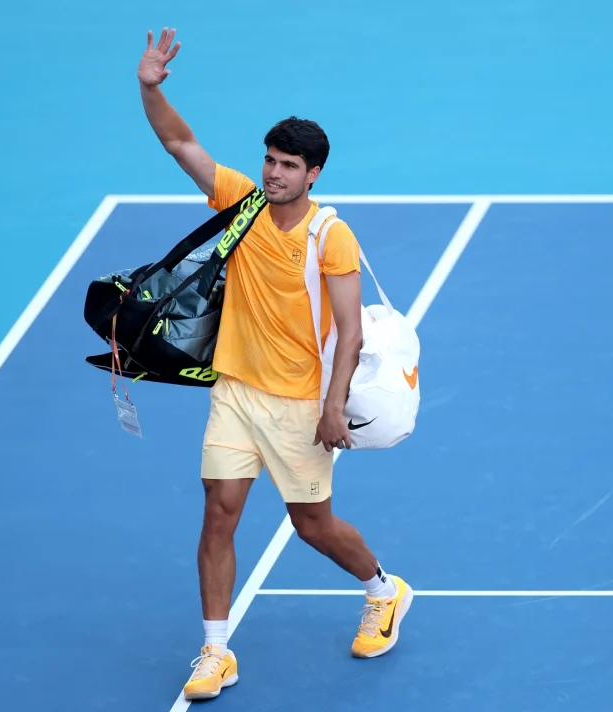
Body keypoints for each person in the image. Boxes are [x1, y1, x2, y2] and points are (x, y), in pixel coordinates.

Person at [136, 27, 414, 701]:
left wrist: (331, 407)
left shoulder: (330, 236)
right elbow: (181, 144)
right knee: (219, 512)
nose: (273, 173)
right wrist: (150, 88)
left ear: (313, 173)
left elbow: (350, 331)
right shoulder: (242, 204)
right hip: (235, 391)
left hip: (300, 403)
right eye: (269, 160)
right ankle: (216, 650)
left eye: (288, 165)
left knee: (311, 525)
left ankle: (384, 589)